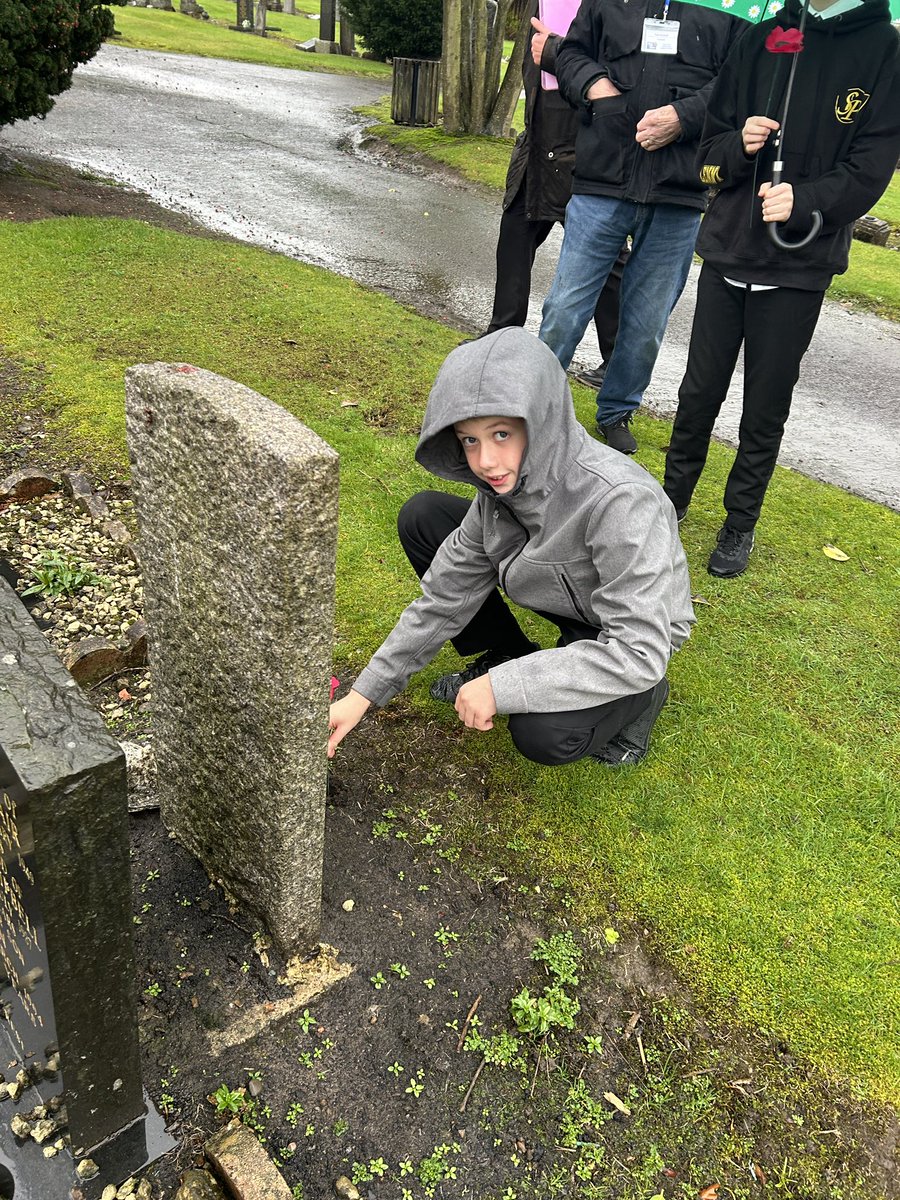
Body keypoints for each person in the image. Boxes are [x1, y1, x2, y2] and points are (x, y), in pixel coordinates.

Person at [328, 328, 694, 769]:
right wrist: (363, 695)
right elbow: (445, 596)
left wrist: (502, 688)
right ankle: (506, 652)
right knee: (425, 516)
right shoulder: (496, 494)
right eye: (469, 439)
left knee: (543, 733)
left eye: (501, 434)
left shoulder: (620, 500)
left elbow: (638, 648)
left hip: (626, 627)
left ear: (541, 419)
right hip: (557, 589)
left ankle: (644, 698)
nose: (484, 461)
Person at [663, 0, 900, 578]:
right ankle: (667, 503)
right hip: (728, 251)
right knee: (698, 392)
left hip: (799, 266)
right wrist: (737, 147)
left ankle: (739, 522)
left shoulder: (885, 50)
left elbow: (872, 168)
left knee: (765, 406)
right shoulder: (761, 38)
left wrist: (808, 199)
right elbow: (706, 159)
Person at [537, 0, 743, 454]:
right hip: (601, 178)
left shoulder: (729, 10)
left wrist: (682, 118)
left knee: (646, 322)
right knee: (565, 306)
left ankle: (616, 411)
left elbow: (740, 84)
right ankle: (535, 405)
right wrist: (597, 87)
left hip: (680, 191)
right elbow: (571, 53)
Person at [486, 3, 629, 391]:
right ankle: (502, 333)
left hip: (586, 139)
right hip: (538, 137)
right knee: (515, 230)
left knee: (604, 252)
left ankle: (617, 359)